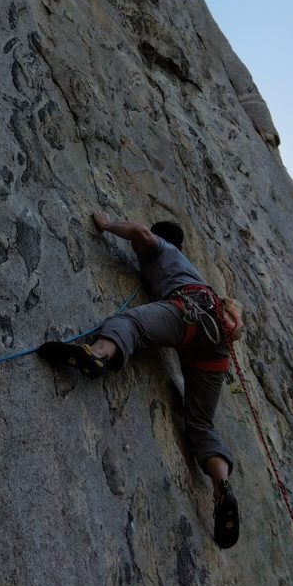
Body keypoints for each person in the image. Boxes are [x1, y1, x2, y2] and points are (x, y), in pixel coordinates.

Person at [38, 214, 242, 549]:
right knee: (201, 424)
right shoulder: (197, 275)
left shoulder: (165, 251)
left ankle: (98, 354)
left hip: (185, 313)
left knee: (128, 322)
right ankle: (221, 486)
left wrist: (105, 225)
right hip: (215, 344)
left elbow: (141, 234)